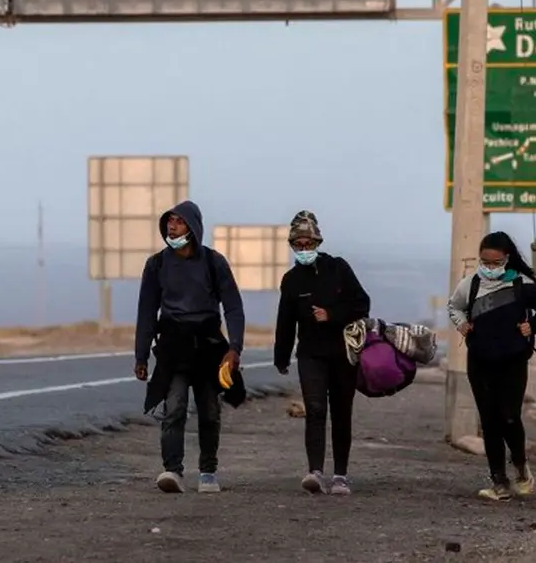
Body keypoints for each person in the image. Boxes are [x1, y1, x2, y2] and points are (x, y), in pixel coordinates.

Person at [134, 200, 246, 494]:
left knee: (209, 410)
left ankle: (208, 472)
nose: (172, 226)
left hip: (209, 348)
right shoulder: (156, 264)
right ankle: (173, 470)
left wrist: (234, 348)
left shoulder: (214, 262)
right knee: (175, 408)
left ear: (193, 227)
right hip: (173, 348)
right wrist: (141, 355)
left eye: (179, 221)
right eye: (169, 221)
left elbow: (233, 307)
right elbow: (147, 311)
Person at [446, 231, 536, 501]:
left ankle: (520, 467)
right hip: (480, 361)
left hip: (513, 360)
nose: (489, 268)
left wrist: (532, 326)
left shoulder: (522, 285)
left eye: (495, 263)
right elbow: (454, 307)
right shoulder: (470, 284)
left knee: (509, 417)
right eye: (485, 262)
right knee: (489, 421)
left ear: (506, 260)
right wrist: (462, 325)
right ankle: (499, 481)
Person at [273, 210, 371, 496]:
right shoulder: (291, 280)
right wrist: (281, 355)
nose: (304, 249)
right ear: (293, 246)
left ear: (318, 242)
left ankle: (340, 475)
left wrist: (332, 314)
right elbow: (285, 320)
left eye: (309, 244)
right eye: (299, 245)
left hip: (342, 354)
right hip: (310, 354)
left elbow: (361, 304)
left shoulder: (338, 268)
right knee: (315, 410)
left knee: (341, 412)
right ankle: (315, 471)